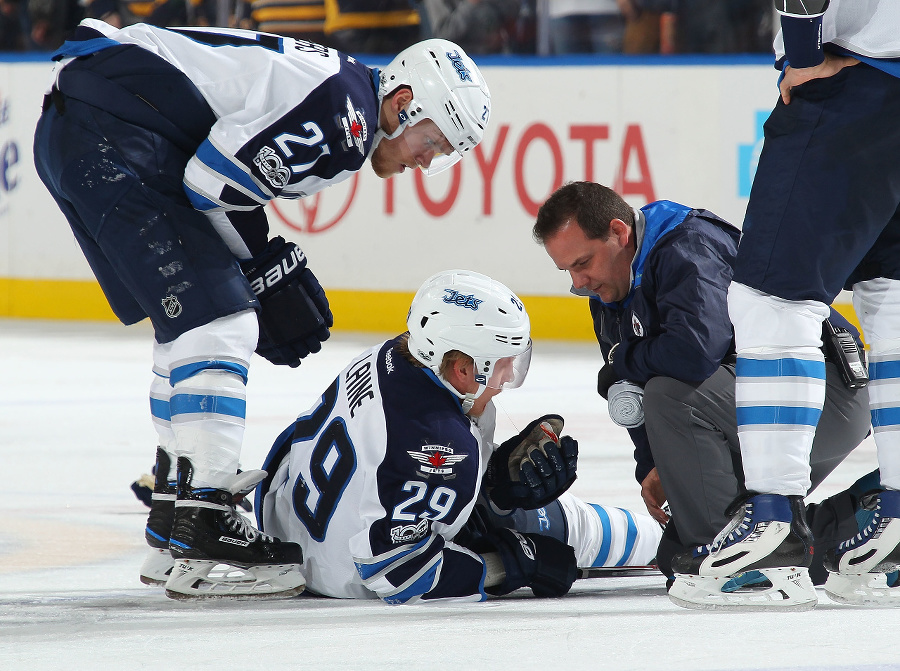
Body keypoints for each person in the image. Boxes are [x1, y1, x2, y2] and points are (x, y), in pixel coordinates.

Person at [33, 18, 492, 599]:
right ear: (403, 103)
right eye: (431, 143)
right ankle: (203, 516)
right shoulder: (347, 118)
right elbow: (212, 183)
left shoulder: (339, 88)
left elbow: (215, 171)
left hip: (82, 124)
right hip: (113, 129)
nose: (425, 163)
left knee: (187, 325)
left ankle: (177, 510)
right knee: (218, 319)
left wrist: (262, 270)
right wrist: (264, 271)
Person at [532, 181, 872, 602]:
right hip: (762, 402)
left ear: (619, 233)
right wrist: (653, 464)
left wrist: (621, 362)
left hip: (822, 393)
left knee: (672, 395)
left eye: (583, 262)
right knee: (676, 557)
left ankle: (734, 563)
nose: (578, 282)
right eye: (567, 271)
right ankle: (854, 520)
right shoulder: (609, 287)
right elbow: (631, 389)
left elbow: (692, 354)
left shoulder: (687, 246)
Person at [668, 0, 900, 610]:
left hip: (858, 80)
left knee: (771, 301)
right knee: (895, 309)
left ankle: (772, 534)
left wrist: (803, 53)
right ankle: (899, 531)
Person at [255, 269, 662, 603]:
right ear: (463, 369)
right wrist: (513, 564)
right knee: (565, 528)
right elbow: (396, 573)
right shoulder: (441, 443)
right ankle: (667, 543)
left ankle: (657, 540)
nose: (507, 377)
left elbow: (378, 456)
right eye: (503, 363)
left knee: (525, 511)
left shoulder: (390, 353)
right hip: (339, 567)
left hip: (288, 519)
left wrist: (491, 481)